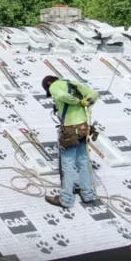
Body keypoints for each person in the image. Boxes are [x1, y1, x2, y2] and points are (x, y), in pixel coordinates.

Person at [41, 74, 99, 209]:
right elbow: (94, 94)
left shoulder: (54, 86)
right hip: (84, 128)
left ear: (49, 83)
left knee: (67, 165)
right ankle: (87, 195)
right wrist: (86, 101)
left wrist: (78, 102)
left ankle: (65, 199)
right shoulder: (73, 83)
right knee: (83, 161)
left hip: (70, 130)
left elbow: (62, 96)